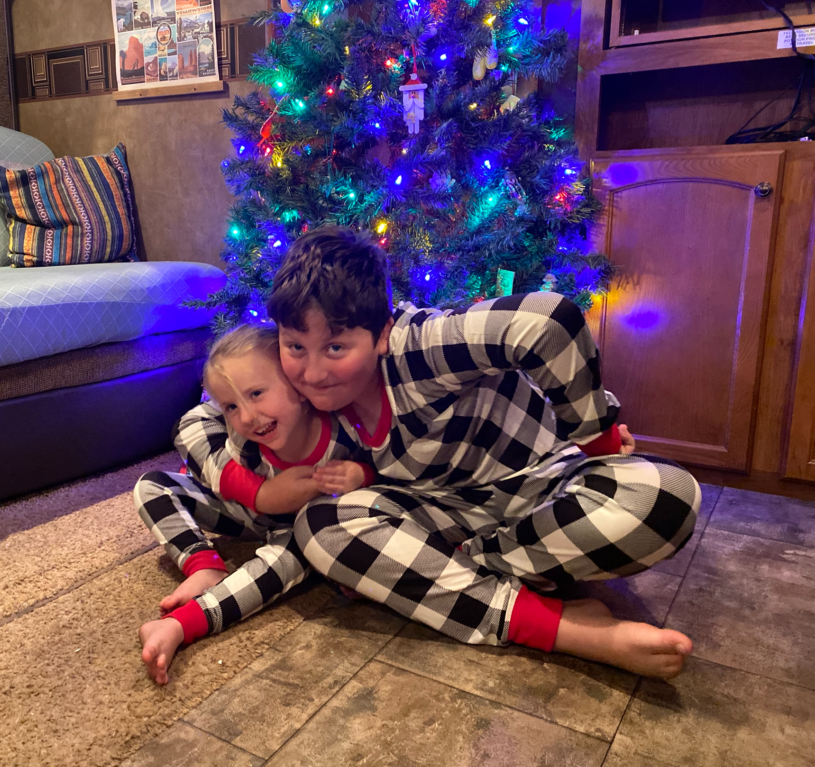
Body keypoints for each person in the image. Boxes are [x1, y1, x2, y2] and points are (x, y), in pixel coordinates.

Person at [185, 225, 701, 679]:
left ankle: (449, 579)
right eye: (295, 346)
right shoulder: (294, 391)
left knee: (667, 497)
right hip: (448, 516)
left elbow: (546, 321)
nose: (313, 371)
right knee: (321, 526)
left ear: (381, 333)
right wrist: (257, 490)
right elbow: (199, 420)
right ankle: (562, 628)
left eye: (336, 348)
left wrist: (599, 441)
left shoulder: (418, 347)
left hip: (544, 488)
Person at [133, 323, 375, 684]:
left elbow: (383, 474)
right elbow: (190, 425)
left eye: (258, 393)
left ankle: (183, 624)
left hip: (297, 532)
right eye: (231, 406)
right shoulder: (239, 432)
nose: (246, 417)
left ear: (300, 387)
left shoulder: (342, 433)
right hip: (242, 512)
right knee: (152, 486)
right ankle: (203, 565)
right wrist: (261, 495)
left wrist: (360, 475)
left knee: (283, 564)